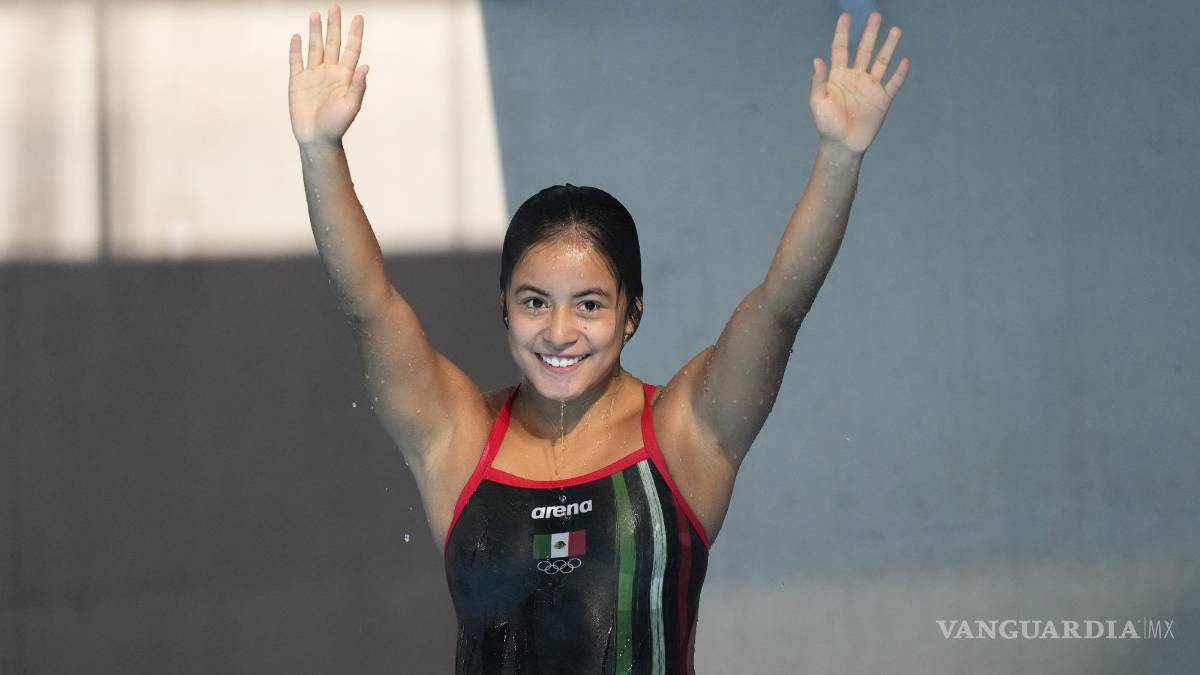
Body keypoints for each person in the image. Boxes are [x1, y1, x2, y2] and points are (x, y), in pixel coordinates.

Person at [288, 5, 909, 673]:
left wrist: (840, 157)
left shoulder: (686, 432)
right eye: (535, 302)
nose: (560, 333)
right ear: (504, 309)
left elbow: (781, 306)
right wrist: (321, 152)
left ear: (631, 313)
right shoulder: (458, 439)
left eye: (589, 305)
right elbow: (370, 306)